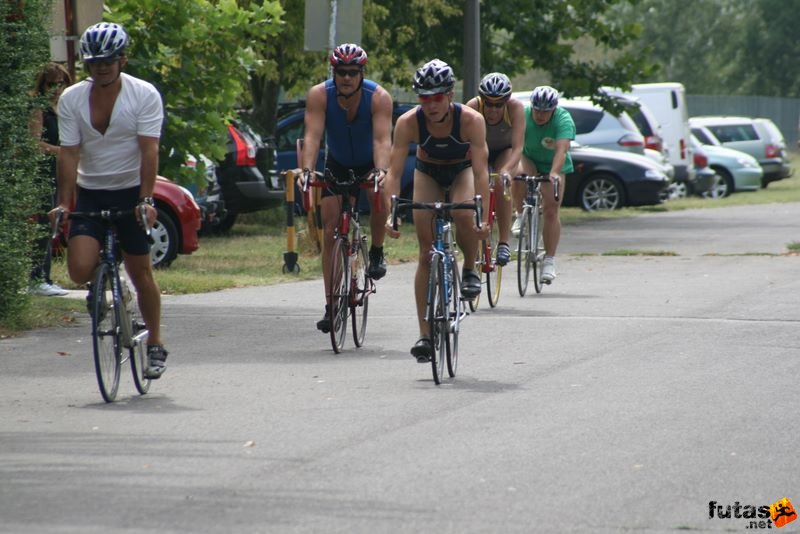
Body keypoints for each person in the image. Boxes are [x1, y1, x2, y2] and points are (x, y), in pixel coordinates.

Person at [50, 22, 169, 379]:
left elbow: (149, 150)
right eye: (93, 62)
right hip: (91, 190)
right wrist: (64, 203)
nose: (101, 67)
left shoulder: (143, 94)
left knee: (141, 271)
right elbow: (69, 154)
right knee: (78, 268)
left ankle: (155, 344)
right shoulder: (71, 99)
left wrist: (146, 198)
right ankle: (101, 286)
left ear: (122, 60)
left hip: (130, 190)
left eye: (108, 60)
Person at [384, 59, 490, 362]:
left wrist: (483, 214)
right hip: (428, 172)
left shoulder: (471, 120)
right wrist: (391, 212)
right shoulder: (408, 123)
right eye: (424, 98)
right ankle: (425, 336)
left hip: (461, 171)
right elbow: (393, 173)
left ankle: (469, 265)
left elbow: (481, 173)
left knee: (463, 213)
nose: (431, 105)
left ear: (450, 94)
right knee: (426, 252)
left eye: (437, 97)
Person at [297, 43, 393, 333]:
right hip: (336, 162)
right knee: (330, 231)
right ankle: (331, 304)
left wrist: (380, 171)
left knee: (379, 195)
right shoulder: (319, 95)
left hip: (368, 161)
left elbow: (381, 140)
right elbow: (313, 136)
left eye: (353, 72)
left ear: (362, 73)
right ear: (334, 72)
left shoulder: (378, 97)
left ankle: (376, 250)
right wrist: (306, 170)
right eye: (341, 72)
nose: (347, 78)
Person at [514, 85, 574, 283]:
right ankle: (520, 214)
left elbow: (561, 151)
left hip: (553, 164)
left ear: (554, 109)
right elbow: (516, 145)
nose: (540, 115)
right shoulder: (524, 115)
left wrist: (555, 173)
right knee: (519, 175)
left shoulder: (563, 120)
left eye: (545, 111)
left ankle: (549, 260)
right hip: (530, 158)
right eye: (537, 109)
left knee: (551, 208)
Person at [465, 72, 525, 266]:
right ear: (481, 100)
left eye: (498, 105)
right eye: (488, 104)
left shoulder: (515, 108)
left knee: (501, 181)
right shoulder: (472, 107)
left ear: (506, 102)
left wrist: (508, 170)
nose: (492, 110)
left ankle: (503, 242)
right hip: (478, 150)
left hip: (504, 151)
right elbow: (463, 144)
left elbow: (517, 148)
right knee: (473, 184)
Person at [29, 63, 72, 296]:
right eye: (51, 84)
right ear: (42, 85)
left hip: (59, 172)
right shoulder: (39, 110)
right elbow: (34, 143)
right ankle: (36, 278)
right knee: (44, 223)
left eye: (60, 83)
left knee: (52, 224)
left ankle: (45, 276)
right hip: (43, 173)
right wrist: (62, 151)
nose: (56, 88)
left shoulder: (62, 109)